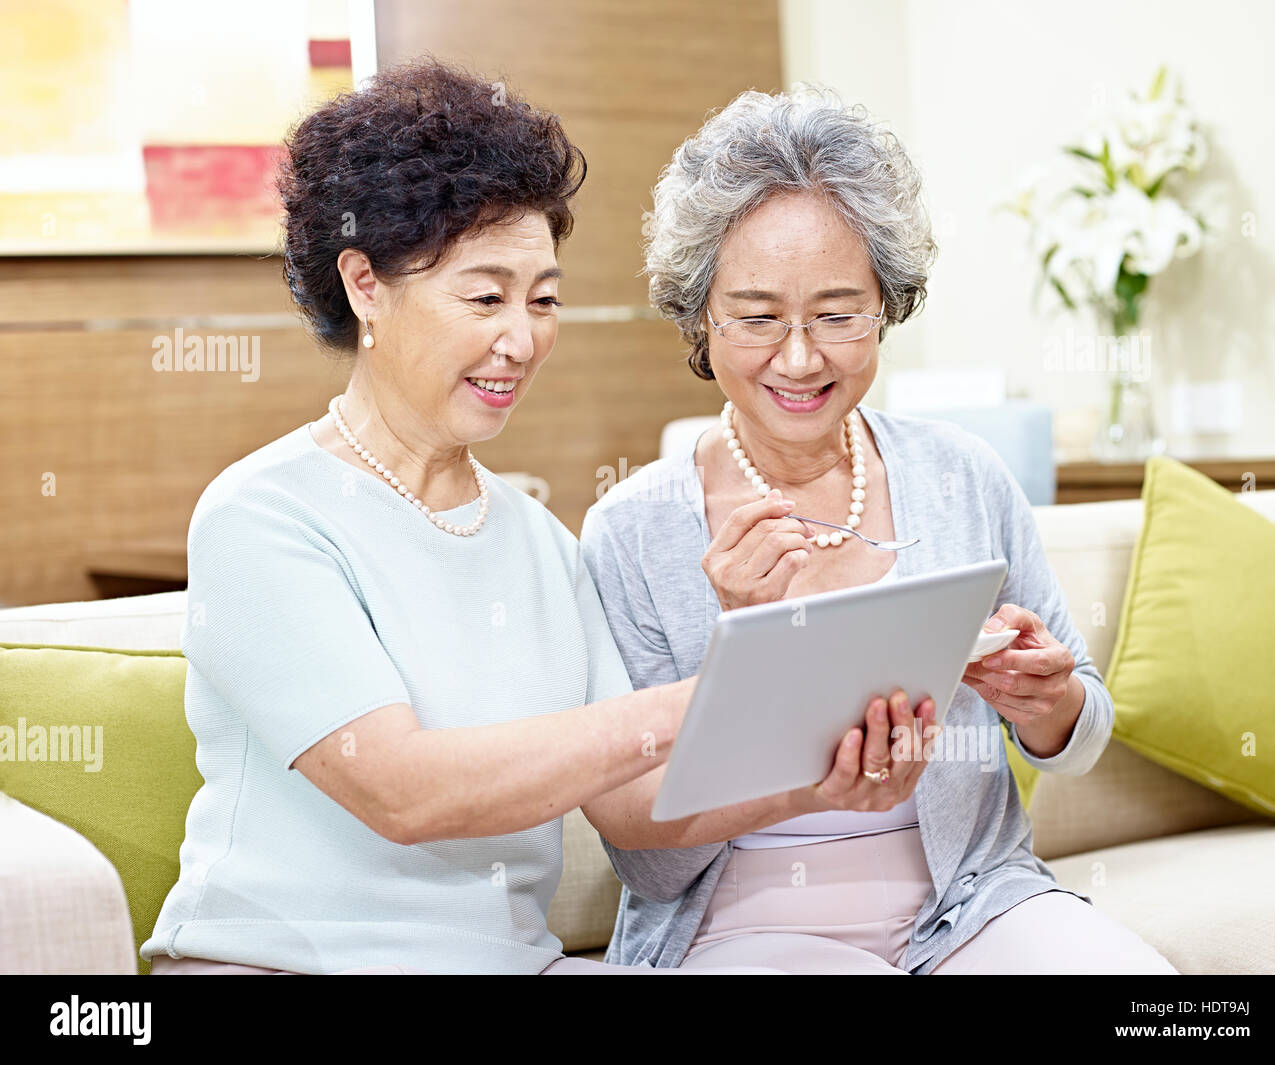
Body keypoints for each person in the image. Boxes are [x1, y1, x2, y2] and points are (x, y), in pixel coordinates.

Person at [140, 58, 802, 976]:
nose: (521, 339)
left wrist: (812, 765)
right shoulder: (262, 516)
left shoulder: (539, 542)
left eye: (544, 300)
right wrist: (693, 701)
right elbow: (401, 790)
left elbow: (635, 806)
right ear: (366, 285)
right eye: (485, 297)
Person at [577, 86, 1180, 975]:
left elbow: (1083, 731)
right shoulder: (627, 532)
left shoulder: (962, 475)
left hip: (973, 903)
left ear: (887, 305)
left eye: (836, 313)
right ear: (700, 313)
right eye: (756, 316)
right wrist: (742, 654)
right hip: (743, 930)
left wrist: (1049, 705)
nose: (798, 356)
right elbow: (649, 861)